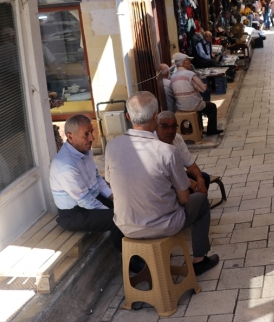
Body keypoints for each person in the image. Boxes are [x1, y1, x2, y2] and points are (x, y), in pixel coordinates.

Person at [105, 92, 219, 275]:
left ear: (128, 117)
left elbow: (111, 183)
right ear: (156, 116)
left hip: (126, 226)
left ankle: (143, 264)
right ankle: (199, 260)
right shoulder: (167, 151)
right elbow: (183, 198)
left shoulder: (111, 147)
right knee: (201, 202)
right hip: (163, 225)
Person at [49, 114, 124, 251]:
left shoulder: (85, 150)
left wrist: (115, 198)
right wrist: (111, 211)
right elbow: (85, 201)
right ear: (70, 137)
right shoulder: (65, 165)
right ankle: (131, 260)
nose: (92, 138)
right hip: (74, 213)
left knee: (127, 204)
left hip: (91, 199)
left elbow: (97, 179)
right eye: (86, 134)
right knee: (117, 218)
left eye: (92, 132)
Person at [155, 111, 211, 194]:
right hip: (161, 181)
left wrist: (200, 179)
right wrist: (189, 183)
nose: (170, 131)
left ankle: (195, 203)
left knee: (204, 177)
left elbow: (191, 165)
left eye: (173, 126)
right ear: (156, 127)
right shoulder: (152, 143)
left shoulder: (177, 139)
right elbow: (166, 176)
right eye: (165, 126)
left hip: (178, 176)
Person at [170, 53, 223, 136]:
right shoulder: (189, 74)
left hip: (180, 106)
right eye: (189, 61)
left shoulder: (172, 77)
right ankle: (211, 130)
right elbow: (203, 89)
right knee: (211, 107)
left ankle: (199, 129)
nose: (190, 64)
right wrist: (203, 85)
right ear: (185, 62)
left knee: (201, 105)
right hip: (193, 106)